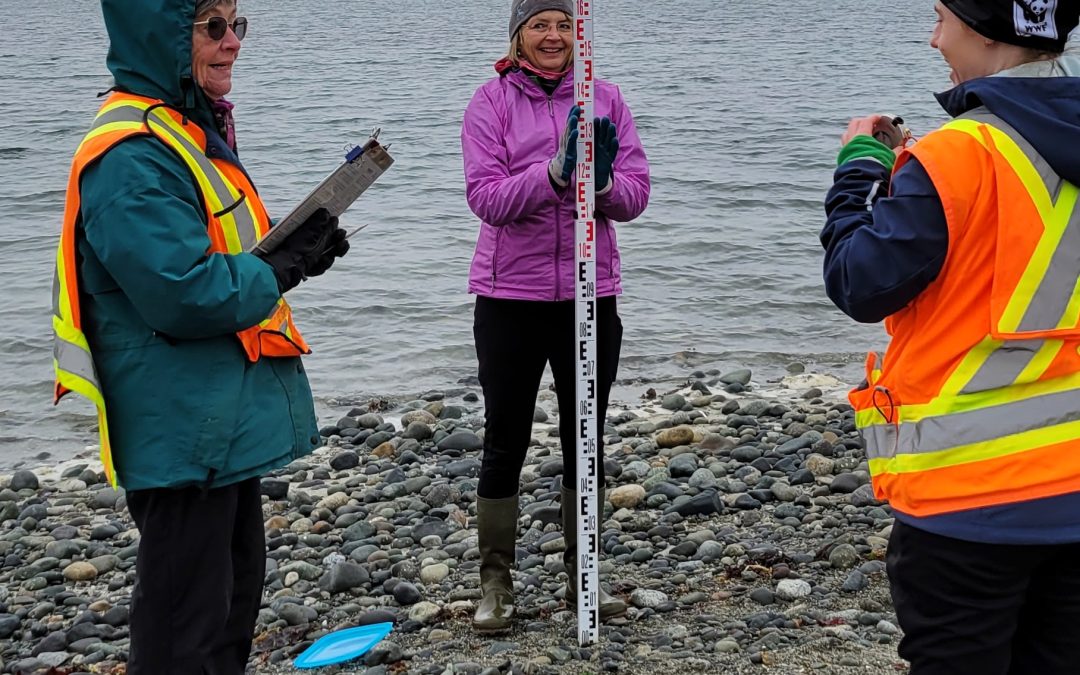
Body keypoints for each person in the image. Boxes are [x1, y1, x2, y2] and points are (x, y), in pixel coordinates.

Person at [51, 0, 349, 671]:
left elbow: (222, 258)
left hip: (214, 423)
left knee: (227, 603)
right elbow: (180, 293)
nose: (232, 42)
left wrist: (291, 259)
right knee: (185, 625)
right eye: (212, 26)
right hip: (180, 430)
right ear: (161, 36)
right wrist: (276, 268)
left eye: (235, 24)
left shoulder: (180, 130)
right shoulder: (131, 155)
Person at [821, 1, 1080, 672]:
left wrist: (856, 174)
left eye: (942, 17)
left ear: (987, 28)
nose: (935, 37)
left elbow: (859, 282)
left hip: (969, 504)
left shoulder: (957, 155)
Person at [461, 0, 650, 633]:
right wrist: (553, 172)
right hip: (509, 298)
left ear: (578, 33)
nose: (552, 35)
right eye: (539, 25)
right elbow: (486, 199)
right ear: (517, 37)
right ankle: (496, 584)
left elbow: (636, 194)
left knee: (585, 437)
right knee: (504, 437)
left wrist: (597, 184)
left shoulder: (606, 97)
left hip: (591, 294)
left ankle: (583, 578)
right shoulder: (490, 103)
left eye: (563, 24)